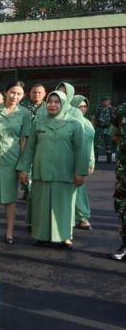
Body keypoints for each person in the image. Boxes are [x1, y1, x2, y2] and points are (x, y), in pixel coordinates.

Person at [18, 89, 90, 249]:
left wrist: (80, 172)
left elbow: (81, 150)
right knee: (41, 205)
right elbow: (30, 148)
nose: (52, 105)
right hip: (41, 171)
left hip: (65, 173)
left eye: (57, 102)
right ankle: (40, 235)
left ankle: (64, 236)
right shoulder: (38, 123)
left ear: (64, 104)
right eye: (50, 101)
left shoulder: (75, 124)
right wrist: (24, 169)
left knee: (64, 206)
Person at [0, 81, 32, 243]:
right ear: (6, 92)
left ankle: (9, 232)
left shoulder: (25, 114)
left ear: (23, 96)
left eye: (19, 94)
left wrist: (23, 165)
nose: (15, 96)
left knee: (10, 199)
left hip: (11, 159)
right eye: (12, 92)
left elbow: (23, 140)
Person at [19, 83, 47, 201]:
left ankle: (33, 191)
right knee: (25, 166)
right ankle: (27, 189)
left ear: (44, 94)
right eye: (34, 92)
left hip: (41, 141)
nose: (37, 95)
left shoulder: (48, 107)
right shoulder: (22, 107)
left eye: (39, 92)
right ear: (29, 93)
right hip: (25, 139)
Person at [72, 95, 96, 230]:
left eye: (84, 106)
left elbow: (90, 143)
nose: (82, 108)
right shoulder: (68, 121)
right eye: (79, 106)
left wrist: (91, 160)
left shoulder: (87, 122)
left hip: (82, 161)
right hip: (69, 160)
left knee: (80, 189)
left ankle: (82, 216)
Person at [110, 99, 126, 260]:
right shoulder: (121, 109)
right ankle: (125, 246)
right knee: (123, 207)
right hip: (124, 170)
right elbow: (114, 135)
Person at [93, 96, 114, 163]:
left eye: (108, 101)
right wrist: (93, 127)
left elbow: (115, 120)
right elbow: (94, 118)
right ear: (102, 102)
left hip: (108, 129)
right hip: (99, 128)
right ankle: (95, 159)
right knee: (97, 144)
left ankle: (109, 160)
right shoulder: (98, 109)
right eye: (105, 101)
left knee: (109, 144)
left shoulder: (112, 109)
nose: (107, 102)